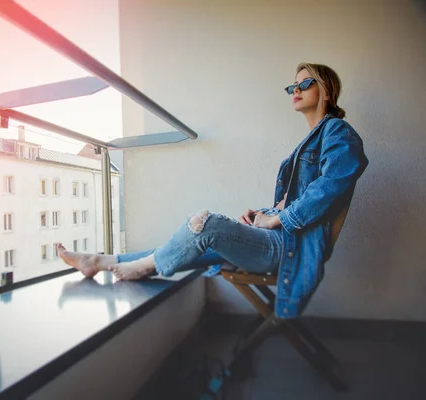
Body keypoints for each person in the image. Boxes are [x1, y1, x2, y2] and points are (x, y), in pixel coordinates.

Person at [58, 62, 369, 318]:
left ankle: (132, 267)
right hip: (278, 237)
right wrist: (265, 213)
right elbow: (297, 200)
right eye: (293, 86)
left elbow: (330, 188)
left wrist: (278, 219)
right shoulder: (314, 138)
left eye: (305, 84)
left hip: (289, 247)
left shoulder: (338, 133)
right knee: (191, 238)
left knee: (203, 224)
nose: (295, 91)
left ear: (326, 90)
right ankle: (99, 261)